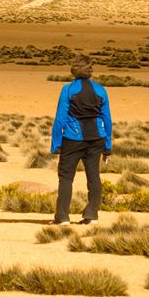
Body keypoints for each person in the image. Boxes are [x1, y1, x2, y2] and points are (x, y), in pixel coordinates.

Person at [50, 55, 113, 225]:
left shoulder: (68, 89)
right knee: (94, 176)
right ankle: (92, 214)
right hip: (97, 139)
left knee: (65, 177)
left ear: (73, 70)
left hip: (73, 139)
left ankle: (62, 217)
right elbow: (107, 119)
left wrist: (56, 144)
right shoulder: (101, 90)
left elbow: (60, 119)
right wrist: (108, 146)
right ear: (90, 70)